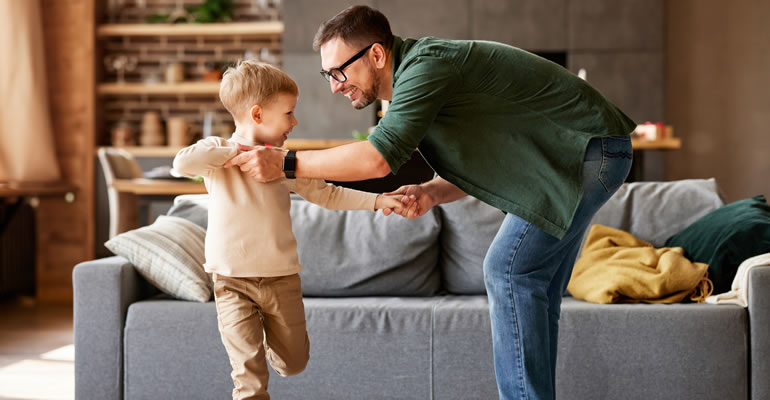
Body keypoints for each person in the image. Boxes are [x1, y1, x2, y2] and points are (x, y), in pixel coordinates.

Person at [223, 6, 635, 400]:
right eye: (326, 74)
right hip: (588, 154)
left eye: (338, 71)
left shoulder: (425, 67)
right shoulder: (415, 78)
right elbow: (483, 154)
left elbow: (376, 158)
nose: (333, 85)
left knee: (507, 271)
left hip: (586, 153)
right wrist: (433, 191)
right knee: (534, 285)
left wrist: (286, 162)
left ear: (377, 54)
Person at [173, 60, 405, 400]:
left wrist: (379, 200)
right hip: (231, 281)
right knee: (249, 379)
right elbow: (181, 164)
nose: (294, 122)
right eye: (288, 113)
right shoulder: (217, 158)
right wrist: (235, 151)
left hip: (281, 279)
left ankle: (267, 340)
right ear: (257, 115)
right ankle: (252, 351)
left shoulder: (286, 162)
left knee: (294, 362)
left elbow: (329, 194)